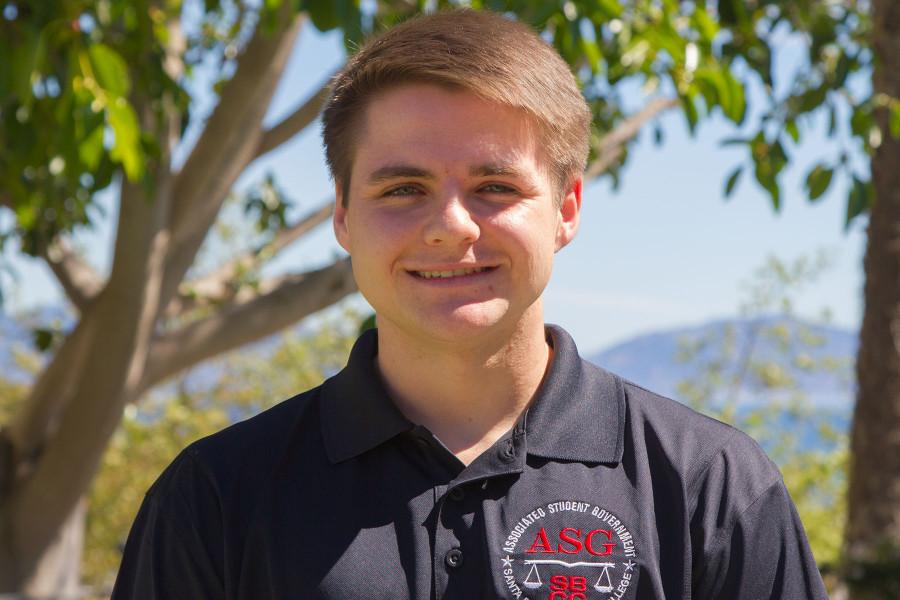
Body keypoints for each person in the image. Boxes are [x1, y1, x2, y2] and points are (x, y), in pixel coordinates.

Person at [112, 9, 829, 600]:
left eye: (495, 187)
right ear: (342, 216)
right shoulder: (215, 498)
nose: (451, 224)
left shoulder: (712, 486)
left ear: (567, 208)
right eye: (402, 189)